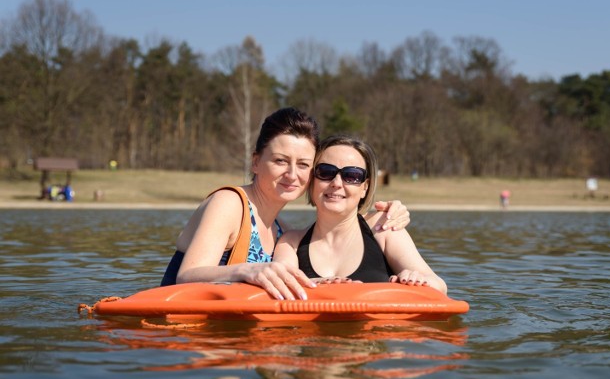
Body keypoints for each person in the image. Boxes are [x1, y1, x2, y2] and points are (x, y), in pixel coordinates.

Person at [160, 107, 410, 300]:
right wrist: (248, 271)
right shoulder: (230, 204)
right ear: (256, 162)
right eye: (280, 161)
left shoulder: (282, 229)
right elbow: (186, 276)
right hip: (184, 343)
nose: (292, 175)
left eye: (303, 164)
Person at [273, 135, 447, 294]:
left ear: (365, 187)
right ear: (312, 180)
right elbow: (280, 284)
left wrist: (417, 280)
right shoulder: (291, 242)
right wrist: (315, 284)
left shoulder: (383, 228)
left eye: (352, 176)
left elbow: (439, 285)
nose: (337, 183)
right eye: (326, 172)